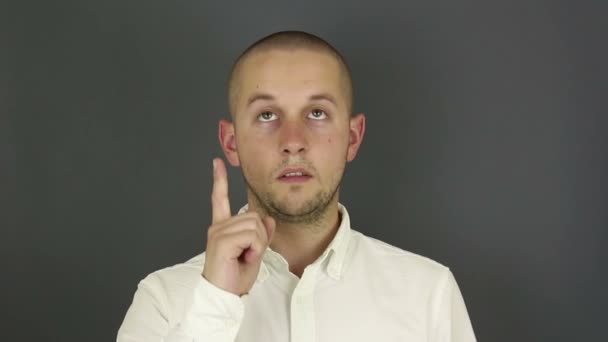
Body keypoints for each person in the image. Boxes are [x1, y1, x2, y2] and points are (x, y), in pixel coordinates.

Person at [117, 30, 476, 342]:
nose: (293, 141)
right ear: (231, 143)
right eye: (267, 115)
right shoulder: (163, 300)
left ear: (353, 137)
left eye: (317, 113)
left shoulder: (429, 293)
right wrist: (215, 302)